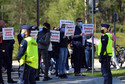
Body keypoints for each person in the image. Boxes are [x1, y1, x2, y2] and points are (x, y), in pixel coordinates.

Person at [0, 20, 17, 84]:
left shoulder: (6, 31)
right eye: (3, 24)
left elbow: (12, 41)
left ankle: (9, 79)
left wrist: (11, 36)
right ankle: (1, 80)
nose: (4, 25)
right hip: (0, 51)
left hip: (6, 51)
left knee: (9, 65)